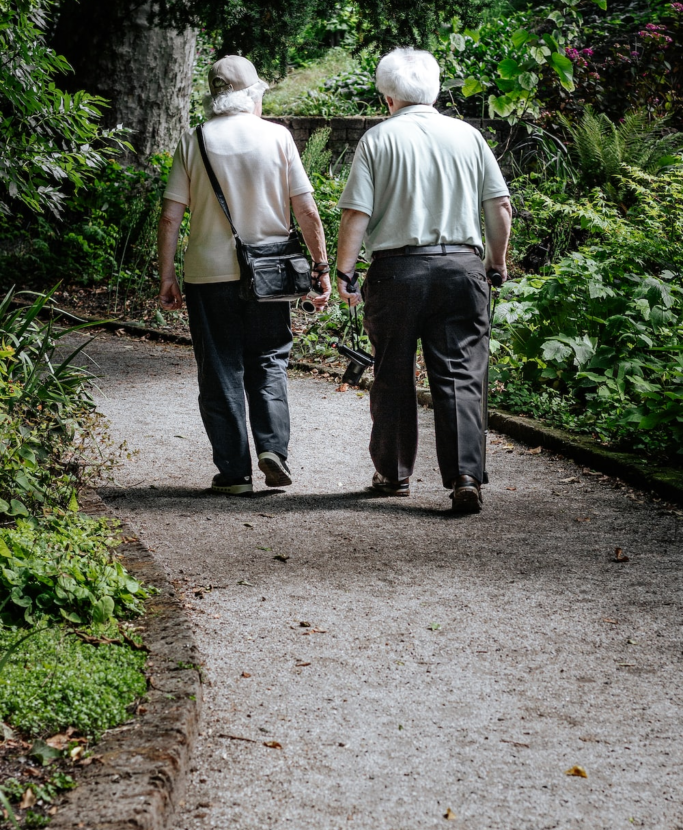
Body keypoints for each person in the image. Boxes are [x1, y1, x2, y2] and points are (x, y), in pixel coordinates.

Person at [336, 47, 512, 514]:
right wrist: (497, 262)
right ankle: (465, 477)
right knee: (460, 375)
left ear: (387, 96)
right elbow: (499, 206)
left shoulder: (377, 139)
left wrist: (345, 272)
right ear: (434, 90)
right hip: (461, 267)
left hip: (397, 272)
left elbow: (357, 214)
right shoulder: (468, 136)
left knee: (392, 371)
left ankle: (393, 475)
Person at [158, 54, 331, 495]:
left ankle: (234, 473)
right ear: (253, 93)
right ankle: (273, 449)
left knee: (219, 369)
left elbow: (170, 217)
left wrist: (166, 275)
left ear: (214, 96)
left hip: (207, 275)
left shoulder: (193, 140)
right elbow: (306, 209)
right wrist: (321, 266)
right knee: (269, 359)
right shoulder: (278, 137)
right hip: (270, 274)